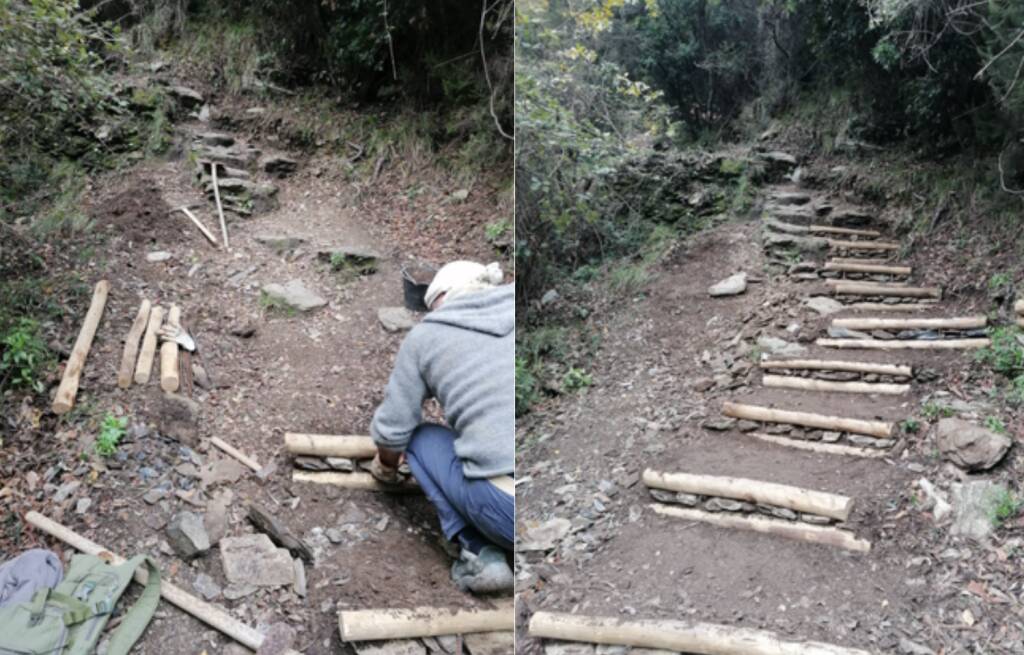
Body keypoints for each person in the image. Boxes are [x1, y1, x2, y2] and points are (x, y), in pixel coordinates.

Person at [369, 260, 514, 594]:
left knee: (419, 437)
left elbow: (393, 430)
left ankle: (479, 550)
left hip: (505, 514)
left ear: (444, 297)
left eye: (433, 307)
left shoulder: (426, 335)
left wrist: (385, 468)